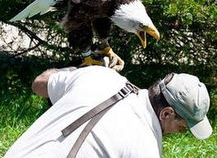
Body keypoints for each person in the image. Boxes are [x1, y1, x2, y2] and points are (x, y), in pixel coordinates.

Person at [4, 66, 212, 158]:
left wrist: (73, 72)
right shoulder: (146, 149)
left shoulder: (100, 75)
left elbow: (39, 84)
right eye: (182, 127)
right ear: (166, 113)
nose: (179, 133)